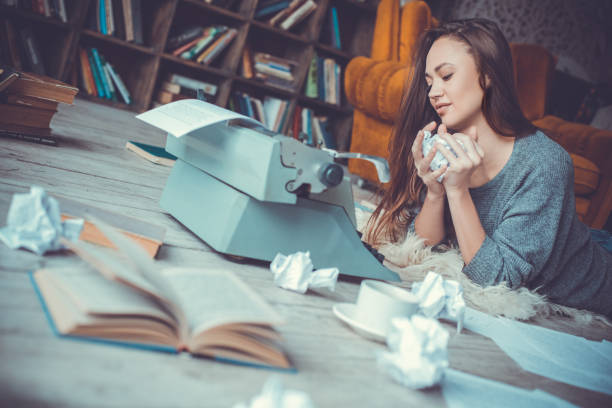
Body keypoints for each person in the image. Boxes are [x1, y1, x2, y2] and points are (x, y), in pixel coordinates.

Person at [365, 18, 612, 317]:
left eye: (446, 76)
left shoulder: (545, 163)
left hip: (594, 290)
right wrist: (435, 191)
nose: (432, 92)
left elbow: (496, 279)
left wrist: (458, 191)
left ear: (488, 76)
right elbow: (422, 250)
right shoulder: (447, 144)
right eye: (430, 82)